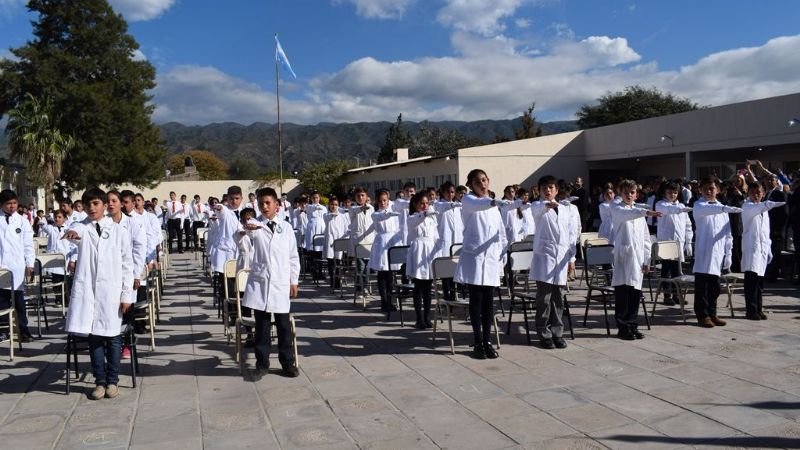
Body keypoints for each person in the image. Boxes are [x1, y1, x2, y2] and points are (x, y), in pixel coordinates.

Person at [63, 188, 134, 400]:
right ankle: (100, 382)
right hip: (89, 294)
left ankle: (113, 381)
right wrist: (72, 235)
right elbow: (74, 232)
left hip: (111, 292)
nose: (92, 208)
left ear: (104, 205)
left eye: (96, 204)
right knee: (94, 338)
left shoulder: (118, 230)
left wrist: (126, 295)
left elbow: (127, 264)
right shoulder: (81, 227)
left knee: (113, 339)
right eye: (88, 205)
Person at [241, 187, 300, 378]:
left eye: (268, 203)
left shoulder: (286, 227)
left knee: (283, 325)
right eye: (261, 204)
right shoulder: (254, 225)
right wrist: (244, 230)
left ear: (277, 205)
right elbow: (242, 235)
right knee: (262, 326)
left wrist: (294, 281)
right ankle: (262, 363)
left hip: (281, 283)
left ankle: (287, 362)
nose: (264, 207)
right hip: (261, 283)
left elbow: (293, 256)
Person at [454, 169, 508, 359]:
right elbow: (480, 205)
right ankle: (477, 342)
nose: (482, 184)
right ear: (470, 185)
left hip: (491, 259)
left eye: (484, 180)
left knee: (489, 304)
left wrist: (502, 253)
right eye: (477, 182)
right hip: (475, 260)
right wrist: (494, 201)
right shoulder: (469, 201)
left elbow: (501, 232)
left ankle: (487, 341)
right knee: (476, 303)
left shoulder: (493, 206)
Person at [611, 180, 661, 340]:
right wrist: (645, 213)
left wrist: (647, 260)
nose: (629, 195)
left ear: (636, 194)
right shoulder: (617, 208)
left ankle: (632, 324)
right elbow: (627, 215)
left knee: (635, 294)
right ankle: (623, 327)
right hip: (624, 257)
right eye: (625, 192)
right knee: (623, 294)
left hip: (638, 259)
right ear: (620, 193)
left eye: (632, 193)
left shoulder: (639, 212)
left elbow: (646, 239)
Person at [529, 176, 573, 349]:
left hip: (561, 259)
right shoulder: (537, 206)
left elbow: (569, 235)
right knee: (544, 299)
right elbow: (538, 211)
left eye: (551, 188)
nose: (548, 191)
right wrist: (546, 206)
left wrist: (571, 258)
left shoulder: (564, 209)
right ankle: (543, 332)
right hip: (544, 259)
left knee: (558, 298)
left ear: (556, 190)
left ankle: (558, 333)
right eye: (544, 188)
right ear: (539, 191)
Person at [693, 176, 742, 328]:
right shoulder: (699, 205)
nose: (709, 191)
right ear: (700, 190)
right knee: (702, 286)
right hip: (704, 251)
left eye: (712, 188)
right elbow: (709, 210)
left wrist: (728, 254)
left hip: (717, 253)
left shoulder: (722, 208)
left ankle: (712, 313)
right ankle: (702, 315)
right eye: (706, 188)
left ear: (718, 190)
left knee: (714, 287)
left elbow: (727, 233)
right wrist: (724, 208)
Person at [741, 182, 786, 320]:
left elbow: (765, 232)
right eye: (753, 192)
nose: (755, 195)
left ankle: (759, 308)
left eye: (758, 193)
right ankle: (751, 310)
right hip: (751, 250)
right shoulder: (747, 206)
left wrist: (768, 248)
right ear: (748, 193)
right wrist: (770, 204)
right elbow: (759, 207)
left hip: (761, 250)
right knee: (751, 282)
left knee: (760, 283)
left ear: (763, 193)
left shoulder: (764, 211)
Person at [0, 190, 36, 343]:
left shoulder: (22, 220)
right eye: (8, 204)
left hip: (17, 267)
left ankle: (23, 330)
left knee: (19, 302)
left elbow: (28, 244)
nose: (12, 206)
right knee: (2, 302)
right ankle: (4, 330)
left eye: (14, 203)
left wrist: (30, 264)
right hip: (1, 267)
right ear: (2, 204)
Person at [655, 181, 693, 305]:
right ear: (664, 193)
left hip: (678, 243)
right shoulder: (660, 204)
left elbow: (688, 225)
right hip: (666, 242)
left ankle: (677, 295)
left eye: (675, 192)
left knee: (677, 270)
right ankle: (667, 296)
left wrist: (688, 241)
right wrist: (682, 209)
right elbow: (669, 210)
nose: (672, 194)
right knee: (667, 270)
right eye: (670, 192)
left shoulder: (681, 206)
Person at [406, 192, 439, 329]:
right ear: (415, 205)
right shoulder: (412, 217)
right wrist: (425, 214)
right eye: (422, 204)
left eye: (427, 203)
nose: (425, 206)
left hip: (430, 252)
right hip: (418, 251)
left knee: (428, 288)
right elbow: (417, 220)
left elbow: (436, 237)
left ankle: (427, 317)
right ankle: (419, 318)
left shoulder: (431, 219)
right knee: (418, 287)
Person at [368, 190, 402, 313]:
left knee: (391, 276)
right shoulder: (376, 214)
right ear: (377, 202)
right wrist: (388, 214)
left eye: (385, 200)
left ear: (388, 201)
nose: (383, 203)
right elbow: (381, 216)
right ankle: (384, 301)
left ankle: (390, 300)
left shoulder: (394, 212)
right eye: (381, 201)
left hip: (392, 243)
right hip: (381, 245)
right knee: (382, 274)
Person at [433, 181, 463, 301]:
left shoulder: (457, 206)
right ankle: (447, 296)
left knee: (455, 269)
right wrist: (453, 205)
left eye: (452, 192)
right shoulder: (439, 205)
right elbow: (442, 208)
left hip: (457, 241)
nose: (450, 194)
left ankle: (455, 294)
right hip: (446, 242)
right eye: (448, 192)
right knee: (446, 272)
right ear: (443, 193)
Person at [348, 187, 374, 301]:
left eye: (363, 195)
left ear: (366, 196)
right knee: (360, 268)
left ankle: (366, 287)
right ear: (355, 197)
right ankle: (359, 289)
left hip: (369, 241)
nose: (361, 198)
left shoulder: (371, 208)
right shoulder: (352, 209)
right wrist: (362, 207)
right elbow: (357, 210)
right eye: (358, 196)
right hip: (358, 241)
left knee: (367, 268)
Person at [764, 174, 788, 282]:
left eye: (771, 180)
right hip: (767, 229)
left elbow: (785, 213)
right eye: (767, 180)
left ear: (776, 182)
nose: (769, 182)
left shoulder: (780, 194)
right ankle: (768, 273)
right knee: (768, 252)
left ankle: (772, 276)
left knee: (775, 253)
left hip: (776, 230)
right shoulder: (766, 194)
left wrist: (779, 229)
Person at [322, 196, 348, 292]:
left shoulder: (342, 216)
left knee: (338, 260)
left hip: (339, 239)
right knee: (330, 261)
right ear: (329, 205)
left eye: (336, 205)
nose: (334, 206)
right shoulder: (326, 215)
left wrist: (345, 237)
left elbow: (346, 228)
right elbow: (328, 218)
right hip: (330, 239)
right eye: (332, 204)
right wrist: (332, 215)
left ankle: (337, 279)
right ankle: (332, 279)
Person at [303, 191, 326, 280]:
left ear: (319, 198)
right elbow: (311, 208)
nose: (315, 199)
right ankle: (314, 272)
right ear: (311, 199)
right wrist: (316, 207)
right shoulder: (309, 206)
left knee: (320, 252)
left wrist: (319, 207)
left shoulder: (323, 207)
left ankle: (320, 272)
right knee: (313, 252)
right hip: (312, 229)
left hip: (321, 228)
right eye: (314, 198)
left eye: (317, 197)